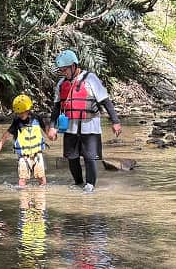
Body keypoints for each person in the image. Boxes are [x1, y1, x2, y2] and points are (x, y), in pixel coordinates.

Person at [46, 49, 121, 193]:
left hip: (90, 126)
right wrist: (52, 126)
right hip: (70, 127)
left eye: (65, 69)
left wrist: (115, 121)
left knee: (89, 157)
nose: (63, 72)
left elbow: (105, 101)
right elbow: (56, 107)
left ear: (74, 66)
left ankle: (90, 185)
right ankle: (78, 182)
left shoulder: (90, 78)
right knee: (72, 158)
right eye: (61, 70)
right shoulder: (61, 84)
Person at [0, 94, 55, 186]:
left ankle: (41, 197)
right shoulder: (17, 122)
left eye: (22, 112)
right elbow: (6, 135)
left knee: (41, 178)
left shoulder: (37, 118)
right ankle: (24, 198)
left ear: (28, 110)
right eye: (18, 113)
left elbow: (47, 133)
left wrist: (52, 135)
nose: (20, 114)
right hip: (23, 157)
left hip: (37, 154)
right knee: (22, 180)